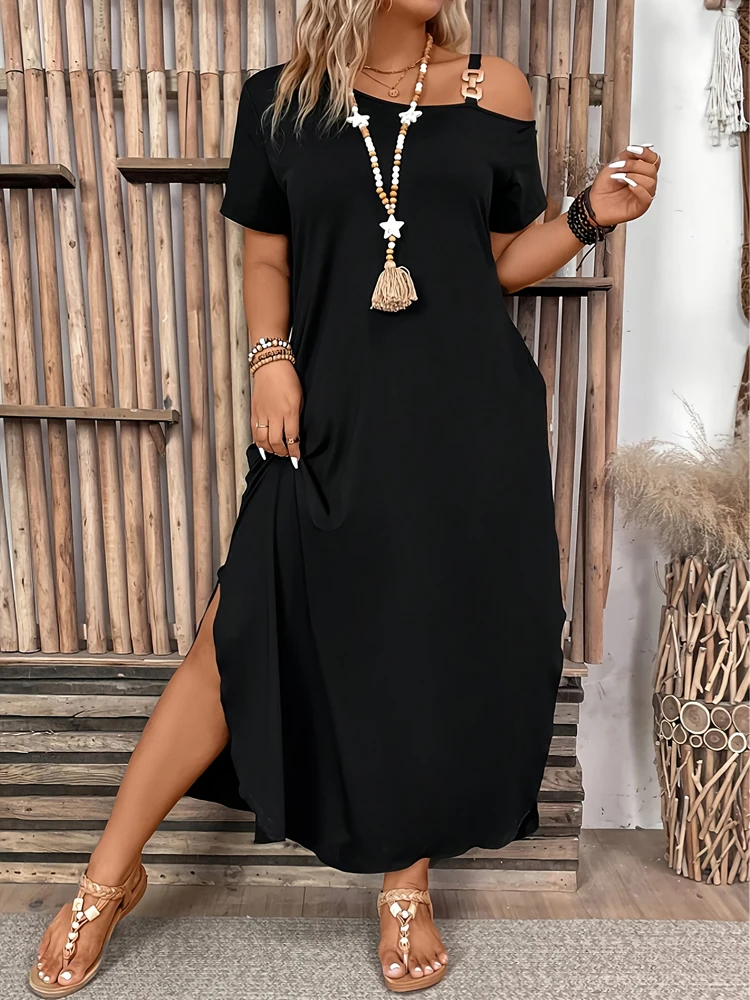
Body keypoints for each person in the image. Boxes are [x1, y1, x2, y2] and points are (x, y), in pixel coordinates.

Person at [30, 0, 659, 995]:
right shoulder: (279, 101)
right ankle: (109, 875)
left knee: (422, 643)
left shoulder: (493, 90)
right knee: (237, 633)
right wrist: (269, 360)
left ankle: (405, 883)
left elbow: (498, 264)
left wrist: (588, 218)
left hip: (466, 423)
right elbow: (266, 254)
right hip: (331, 416)